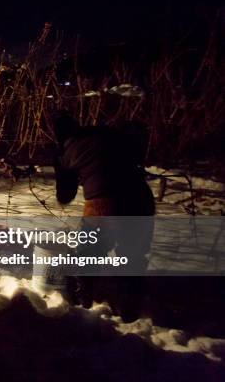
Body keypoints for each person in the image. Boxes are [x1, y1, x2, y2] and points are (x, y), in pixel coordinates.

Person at [53, 113, 154, 319]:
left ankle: (84, 303)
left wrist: (62, 167)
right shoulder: (106, 133)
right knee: (133, 256)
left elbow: (65, 195)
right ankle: (130, 310)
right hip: (141, 199)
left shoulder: (68, 151)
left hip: (103, 205)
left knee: (88, 252)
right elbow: (136, 150)